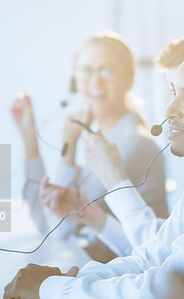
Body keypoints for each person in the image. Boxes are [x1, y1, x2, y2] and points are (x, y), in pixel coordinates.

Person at [2, 17, 184, 299]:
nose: (170, 110)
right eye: (174, 92)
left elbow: (161, 294)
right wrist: (61, 282)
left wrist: (50, 289)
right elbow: (150, 257)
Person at [10, 31, 168, 260]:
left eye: (107, 71)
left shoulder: (131, 144)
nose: (95, 82)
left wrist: (68, 147)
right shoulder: (102, 135)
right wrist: (29, 138)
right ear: (74, 81)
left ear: (129, 80)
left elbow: (58, 227)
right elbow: (44, 218)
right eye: (86, 71)